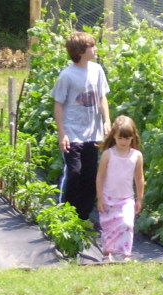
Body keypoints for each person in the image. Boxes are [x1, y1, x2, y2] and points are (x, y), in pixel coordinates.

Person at [51, 31, 111, 220]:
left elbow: (102, 97)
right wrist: (62, 133)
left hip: (93, 133)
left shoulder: (97, 70)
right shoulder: (67, 76)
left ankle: (83, 217)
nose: (95, 49)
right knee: (74, 172)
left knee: (90, 176)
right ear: (80, 51)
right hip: (73, 133)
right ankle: (64, 213)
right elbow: (58, 104)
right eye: (91, 46)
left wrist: (106, 120)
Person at [96, 115, 144, 262]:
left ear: (132, 137)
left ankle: (126, 255)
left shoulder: (136, 156)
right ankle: (107, 254)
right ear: (114, 137)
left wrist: (139, 198)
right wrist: (100, 198)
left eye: (127, 138)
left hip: (126, 198)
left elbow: (139, 178)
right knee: (109, 227)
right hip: (108, 197)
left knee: (127, 224)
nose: (123, 142)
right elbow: (100, 177)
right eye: (120, 138)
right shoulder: (108, 154)